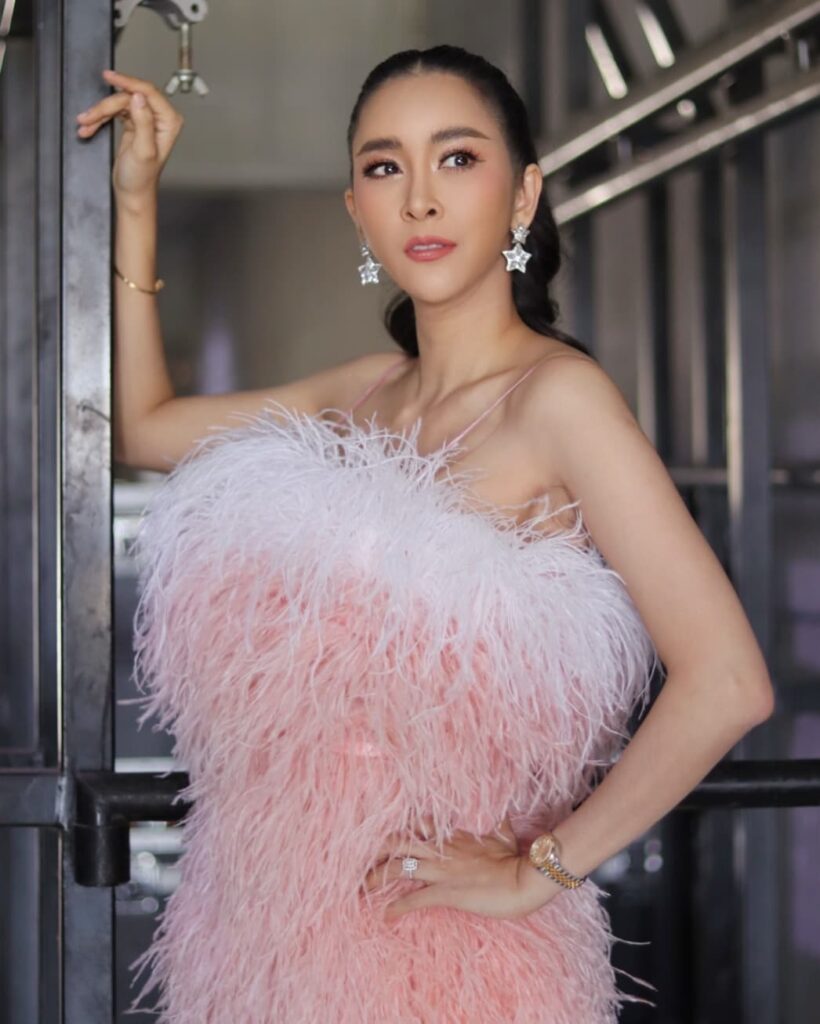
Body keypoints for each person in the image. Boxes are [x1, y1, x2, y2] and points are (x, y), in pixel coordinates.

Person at [78, 44, 774, 1023]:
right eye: (384, 166)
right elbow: (145, 429)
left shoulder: (558, 401)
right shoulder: (359, 392)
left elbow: (728, 682)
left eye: (456, 158)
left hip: (450, 960)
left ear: (523, 194)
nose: (418, 200)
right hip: (266, 945)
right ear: (356, 209)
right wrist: (136, 203)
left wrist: (540, 870)